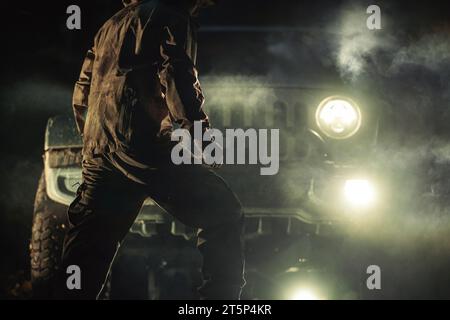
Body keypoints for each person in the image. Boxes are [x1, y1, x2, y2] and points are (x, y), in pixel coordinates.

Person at [55, 0, 245, 300]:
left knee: (88, 250)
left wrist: (96, 141)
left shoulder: (111, 25)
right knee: (224, 213)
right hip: (145, 148)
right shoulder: (171, 15)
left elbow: (83, 90)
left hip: (101, 150)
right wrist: (202, 138)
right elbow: (177, 75)